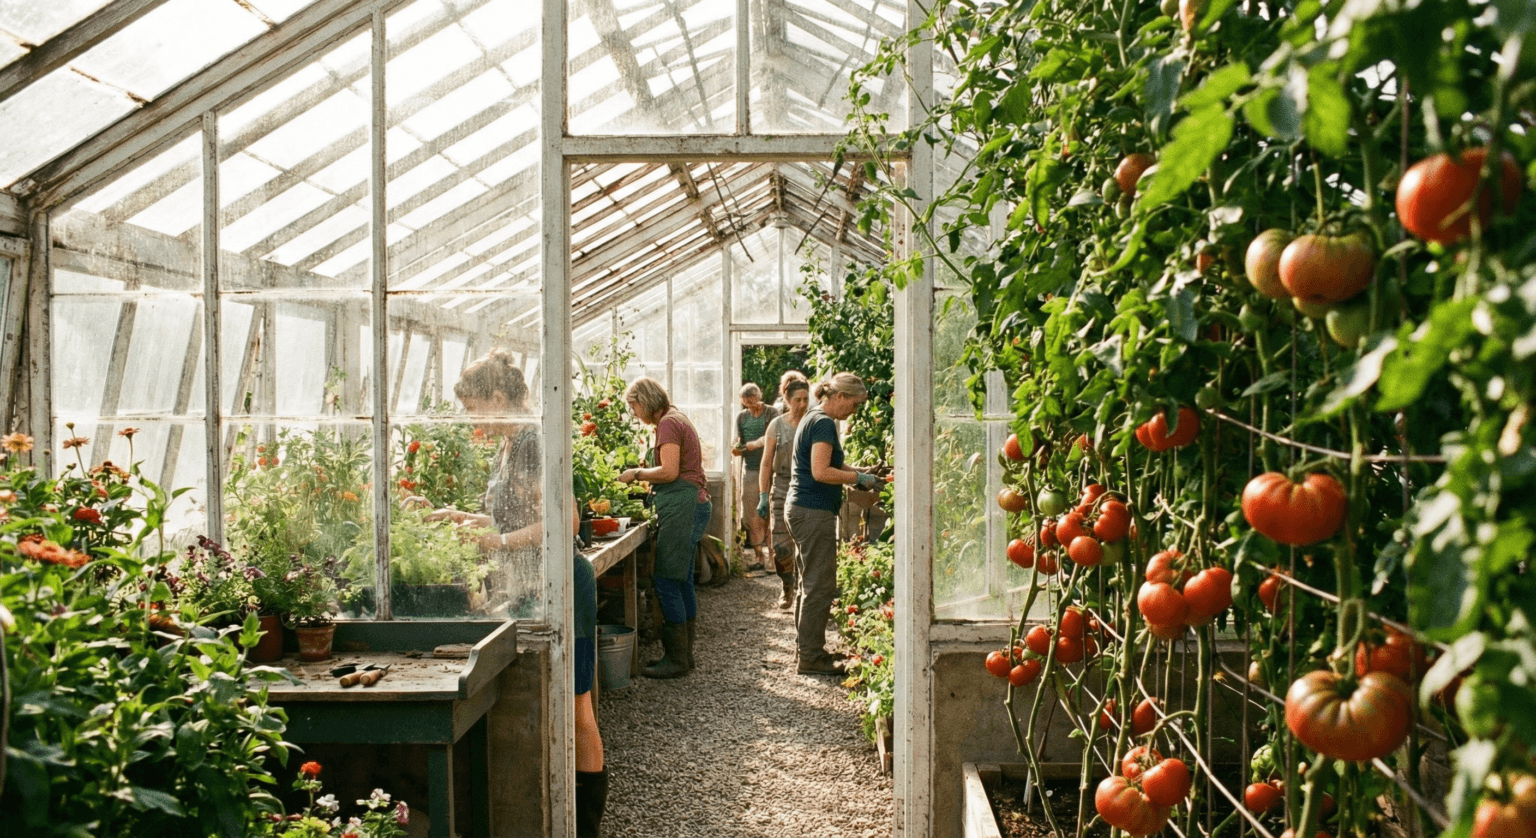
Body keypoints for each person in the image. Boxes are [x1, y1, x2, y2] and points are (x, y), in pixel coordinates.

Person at [415, 350, 607, 835]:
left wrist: (494, 541)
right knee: (556, 703)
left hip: (561, 585)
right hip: (528, 586)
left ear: (498, 397)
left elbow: (564, 523)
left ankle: (586, 828)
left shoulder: (536, 443)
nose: (470, 418)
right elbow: (513, 519)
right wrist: (458, 518)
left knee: (577, 708)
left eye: (474, 407)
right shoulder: (509, 445)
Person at [616, 377, 712, 679]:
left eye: (634, 407)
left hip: (683, 506)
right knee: (681, 579)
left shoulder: (668, 424)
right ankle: (685, 656)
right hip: (692, 504)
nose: (634, 414)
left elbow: (669, 472)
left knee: (667, 580)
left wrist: (636, 474)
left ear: (644, 401)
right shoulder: (676, 417)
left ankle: (676, 658)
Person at [786, 372, 879, 676]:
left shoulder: (815, 417)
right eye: (854, 404)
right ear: (839, 397)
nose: (855, 410)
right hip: (812, 511)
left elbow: (834, 464)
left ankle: (807, 651)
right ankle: (811, 657)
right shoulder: (824, 422)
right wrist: (858, 479)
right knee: (820, 585)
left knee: (808, 584)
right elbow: (821, 472)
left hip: (803, 509)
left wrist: (863, 472)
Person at [757, 377, 810, 609]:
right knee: (780, 546)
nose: (802, 404)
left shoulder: (813, 422)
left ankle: (804, 589)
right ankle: (787, 585)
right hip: (781, 486)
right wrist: (762, 494)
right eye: (797, 399)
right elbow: (766, 463)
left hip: (808, 487)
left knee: (806, 542)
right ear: (787, 399)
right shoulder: (776, 425)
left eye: (806, 399)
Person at [731, 383, 779, 569]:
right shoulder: (741, 417)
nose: (749, 406)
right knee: (752, 512)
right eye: (746, 403)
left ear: (758, 396)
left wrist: (752, 445)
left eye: (752, 401)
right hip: (750, 469)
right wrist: (736, 447)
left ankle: (773, 557)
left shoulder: (772, 413)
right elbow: (738, 440)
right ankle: (759, 556)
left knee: (772, 512)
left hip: (771, 469)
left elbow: (772, 437)